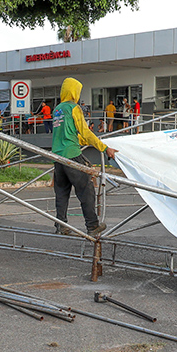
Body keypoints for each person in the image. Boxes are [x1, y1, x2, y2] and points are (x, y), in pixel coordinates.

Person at [50, 77, 116, 238]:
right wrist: (104, 147)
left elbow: (68, 134)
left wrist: (86, 141)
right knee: (86, 190)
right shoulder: (74, 108)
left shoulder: (57, 109)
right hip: (72, 155)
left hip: (57, 157)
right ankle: (92, 225)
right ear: (74, 91)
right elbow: (84, 132)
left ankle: (61, 225)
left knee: (62, 193)